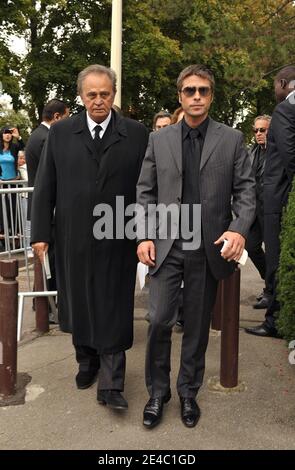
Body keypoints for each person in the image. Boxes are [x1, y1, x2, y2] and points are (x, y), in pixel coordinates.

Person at [137, 64, 255, 428]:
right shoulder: (159, 139)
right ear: (180, 96)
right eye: (190, 91)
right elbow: (145, 191)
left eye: (203, 90)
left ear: (211, 95)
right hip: (167, 245)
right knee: (158, 320)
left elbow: (247, 191)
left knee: (198, 326)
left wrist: (238, 229)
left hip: (208, 247)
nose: (197, 97)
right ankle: (158, 392)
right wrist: (143, 234)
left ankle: (189, 391)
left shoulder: (232, 139)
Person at [31, 64, 149, 410]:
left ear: (114, 94)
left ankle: (112, 386)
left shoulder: (136, 133)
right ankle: (87, 361)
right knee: (79, 301)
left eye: (105, 94)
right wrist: (40, 233)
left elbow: (146, 187)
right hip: (73, 235)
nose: (98, 101)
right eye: (92, 94)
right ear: (81, 96)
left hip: (119, 235)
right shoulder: (61, 132)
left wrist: (147, 232)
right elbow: (45, 186)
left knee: (113, 305)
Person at [245, 66, 295, 338]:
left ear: (284, 83)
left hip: (278, 200)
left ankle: (274, 321)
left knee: (275, 262)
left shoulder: (285, 111)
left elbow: (289, 157)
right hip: (277, 201)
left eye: (276, 84)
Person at [26, 99, 70, 220]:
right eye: (67, 117)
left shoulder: (38, 134)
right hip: (45, 207)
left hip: (41, 204)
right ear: (57, 117)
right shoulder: (46, 138)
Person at [246, 115, 272, 309]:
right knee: (251, 245)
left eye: (262, 130)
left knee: (273, 253)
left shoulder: (278, 151)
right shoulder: (252, 152)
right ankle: (268, 281)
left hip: (271, 209)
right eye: (256, 130)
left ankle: (271, 291)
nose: (258, 134)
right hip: (255, 209)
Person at [0, 126, 24, 245]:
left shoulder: (14, 147)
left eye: (9, 133)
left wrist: (18, 137)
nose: (8, 135)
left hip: (14, 181)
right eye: (5, 133)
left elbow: (24, 147)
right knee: (2, 209)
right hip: (1, 183)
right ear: (2, 135)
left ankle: (16, 234)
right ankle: (3, 234)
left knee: (14, 208)